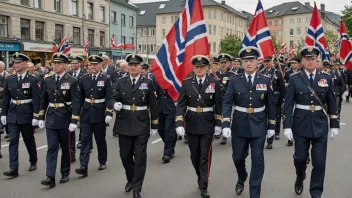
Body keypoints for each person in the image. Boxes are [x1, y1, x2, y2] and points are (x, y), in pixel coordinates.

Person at [283, 46, 339, 198]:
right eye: (307, 59)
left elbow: (332, 103)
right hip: (300, 124)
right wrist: (287, 126)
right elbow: (288, 105)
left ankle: (316, 193)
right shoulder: (295, 78)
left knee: (319, 163)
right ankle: (300, 176)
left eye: (313, 59)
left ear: (317, 60)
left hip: (320, 124)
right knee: (300, 159)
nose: (310, 61)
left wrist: (334, 124)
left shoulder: (326, 78)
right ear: (302, 61)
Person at [222, 47, 276, 198]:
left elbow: (271, 105)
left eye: (251, 60)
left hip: (259, 125)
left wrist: (272, 125)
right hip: (239, 125)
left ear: (257, 62)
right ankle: (242, 175)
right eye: (245, 61)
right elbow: (227, 103)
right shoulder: (234, 81)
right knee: (238, 157)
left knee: (257, 160)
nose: (248, 63)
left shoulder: (265, 81)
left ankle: (255, 193)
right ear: (241, 63)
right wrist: (226, 123)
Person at [175, 55, 222, 198]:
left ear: (207, 68)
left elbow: (219, 105)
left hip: (208, 123)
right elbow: (181, 104)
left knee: (204, 156)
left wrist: (219, 123)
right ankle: (200, 176)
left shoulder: (214, 83)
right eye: (197, 67)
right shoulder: (187, 83)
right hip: (192, 123)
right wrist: (178, 122)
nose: (199, 69)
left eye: (202, 67)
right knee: (194, 155)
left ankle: (203, 185)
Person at [112, 54, 158, 198]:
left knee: (139, 157)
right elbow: (113, 97)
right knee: (125, 155)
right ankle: (131, 179)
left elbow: (153, 104)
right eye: (130, 65)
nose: (132, 67)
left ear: (140, 67)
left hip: (141, 123)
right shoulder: (120, 81)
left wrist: (154, 124)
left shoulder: (148, 82)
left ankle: (137, 187)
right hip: (124, 122)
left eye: (135, 65)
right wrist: (114, 104)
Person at [39, 53, 81, 187]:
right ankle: (50, 176)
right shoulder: (48, 80)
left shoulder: (72, 81)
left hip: (65, 118)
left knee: (65, 147)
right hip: (51, 117)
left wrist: (74, 120)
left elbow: (76, 102)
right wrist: (40, 116)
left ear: (64, 65)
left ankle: (64, 173)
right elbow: (43, 100)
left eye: (58, 63)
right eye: (54, 63)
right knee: (51, 148)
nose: (55, 66)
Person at [1, 53, 41, 178]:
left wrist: (36, 116)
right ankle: (13, 168)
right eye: (14, 63)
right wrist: (3, 114)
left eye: (18, 63)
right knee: (13, 141)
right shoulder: (9, 79)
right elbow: (6, 98)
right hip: (13, 113)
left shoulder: (32, 79)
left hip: (26, 114)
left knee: (29, 140)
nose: (16, 65)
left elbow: (37, 100)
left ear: (25, 64)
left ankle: (33, 160)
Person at [75, 55, 113, 176]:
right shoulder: (84, 78)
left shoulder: (106, 79)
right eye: (91, 65)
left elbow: (109, 97)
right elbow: (80, 98)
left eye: (95, 65)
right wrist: (76, 115)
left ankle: (102, 160)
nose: (92, 67)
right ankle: (83, 165)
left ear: (101, 65)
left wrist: (109, 112)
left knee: (100, 139)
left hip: (99, 113)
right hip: (86, 113)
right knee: (85, 139)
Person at [210, 53, 236, 144]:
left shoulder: (232, 75)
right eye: (221, 62)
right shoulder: (213, 74)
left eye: (225, 62)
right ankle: (217, 131)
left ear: (229, 63)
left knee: (226, 116)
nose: (223, 64)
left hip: (227, 99)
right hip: (216, 99)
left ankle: (225, 135)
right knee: (217, 115)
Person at [260, 56, 285, 149]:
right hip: (262, 99)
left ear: (272, 62)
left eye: (268, 61)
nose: (266, 63)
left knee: (274, 118)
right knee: (262, 119)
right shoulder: (260, 72)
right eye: (265, 61)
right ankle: (262, 138)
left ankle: (271, 139)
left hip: (275, 98)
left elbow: (282, 87)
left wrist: (282, 99)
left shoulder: (277, 73)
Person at [67, 56, 88, 158]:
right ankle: (71, 151)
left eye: (76, 63)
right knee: (72, 124)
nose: (74, 65)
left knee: (82, 123)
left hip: (83, 101)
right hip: (72, 103)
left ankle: (81, 140)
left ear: (80, 64)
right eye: (72, 63)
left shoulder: (85, 74)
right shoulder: (68, 74)